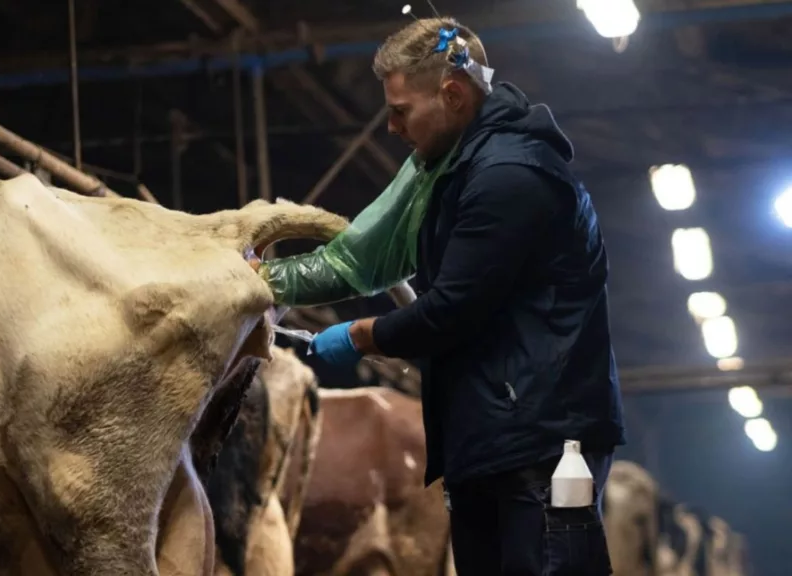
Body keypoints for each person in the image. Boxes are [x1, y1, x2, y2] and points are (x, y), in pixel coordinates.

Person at [253, 16, 626, 576]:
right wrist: (266, 280)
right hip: (494, 439)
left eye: (400, 111)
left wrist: (359, 336)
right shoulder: (455, 167)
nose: (391, 127)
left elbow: (453, 308)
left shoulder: (509, 176)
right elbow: (366, 254)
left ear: (452, 95)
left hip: (541, 445)